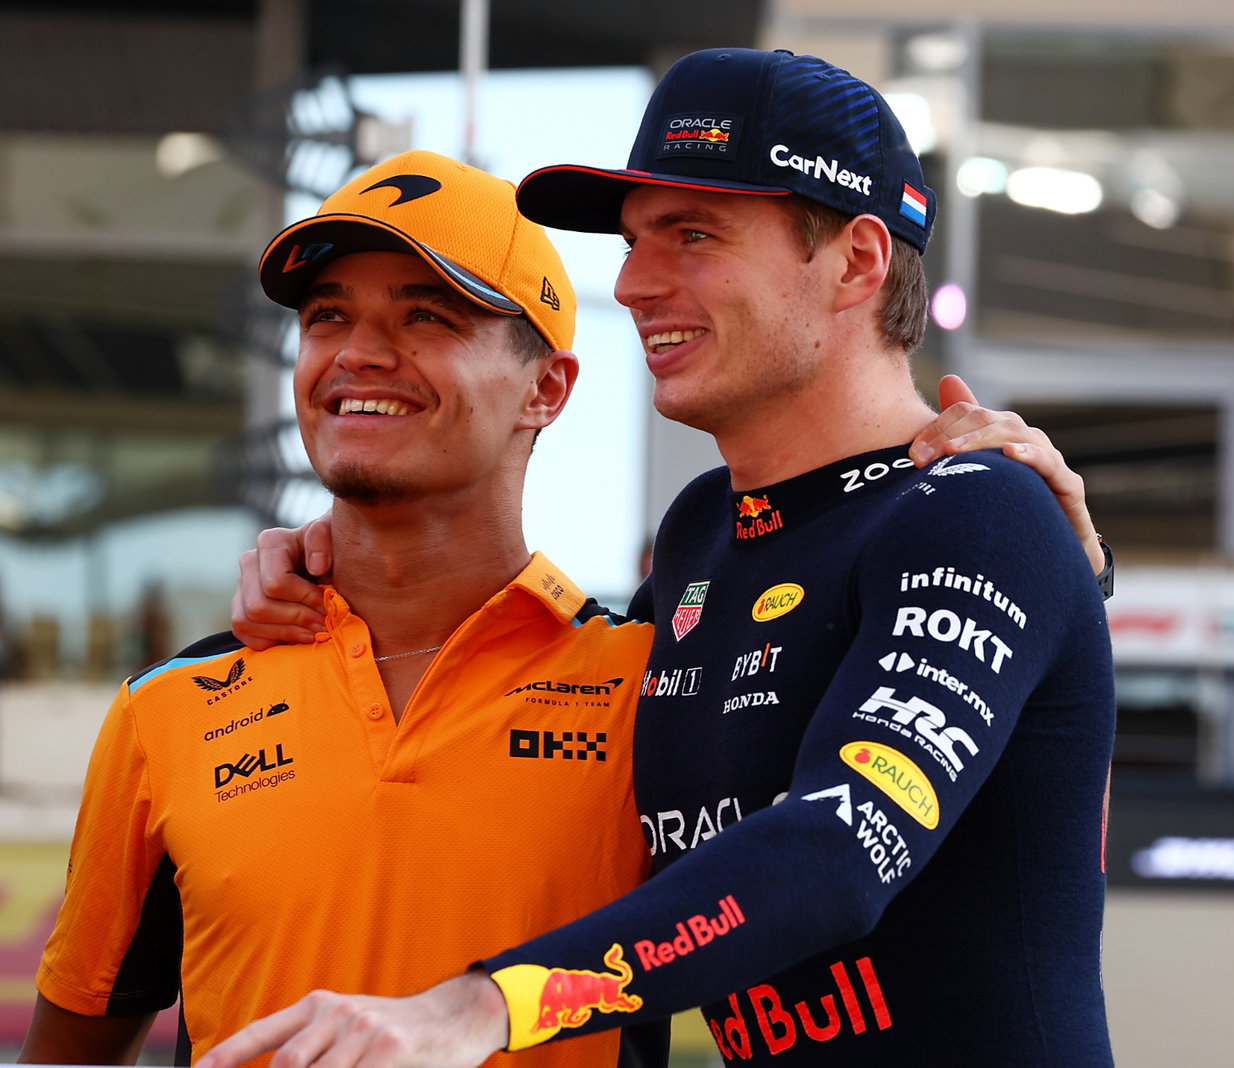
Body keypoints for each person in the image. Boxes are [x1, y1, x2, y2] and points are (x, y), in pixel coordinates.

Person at [204, 47, 1115, 1068]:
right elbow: (535, 708)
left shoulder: (978, 512)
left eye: (691, 235)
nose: (634, 284)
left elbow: (841, 852)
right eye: (634, 242)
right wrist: (338, 578)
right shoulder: (703, 532)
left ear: (857, 262)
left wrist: (483, 1007)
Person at [20, 150, 664, 1068]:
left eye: (425, 315)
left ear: (546, 389)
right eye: (328, 317)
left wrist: (938, 475)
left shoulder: (649, 686)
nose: (358, 353)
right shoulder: (168, 706)